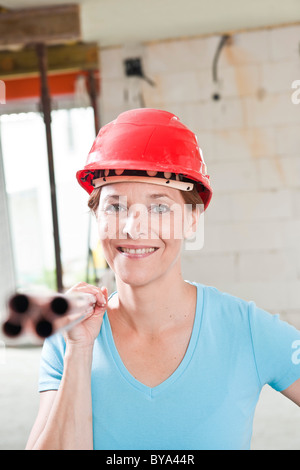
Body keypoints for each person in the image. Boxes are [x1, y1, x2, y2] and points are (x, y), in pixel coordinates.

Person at [26, 108, 300, 450]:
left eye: (159, 207)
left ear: (192, 219)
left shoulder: (245, 329)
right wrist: (78, 353)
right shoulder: (67, 338)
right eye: (114, 207)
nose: (132, 227)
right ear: (96, 217)